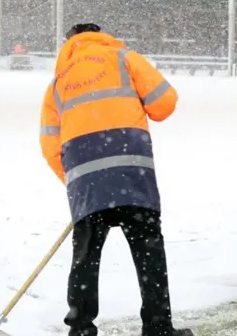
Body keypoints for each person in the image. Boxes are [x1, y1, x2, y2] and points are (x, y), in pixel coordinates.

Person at [38, 23, 193, 336]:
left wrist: (78, 182)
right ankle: (157, 327)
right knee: (148, 251)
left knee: (85, 256)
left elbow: (49, 144)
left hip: (86, 181)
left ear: (69, 45)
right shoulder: (125, 58)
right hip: (131, 172)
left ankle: (80, 328)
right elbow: (164, 104)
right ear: (102, 36)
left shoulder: (58, 83)